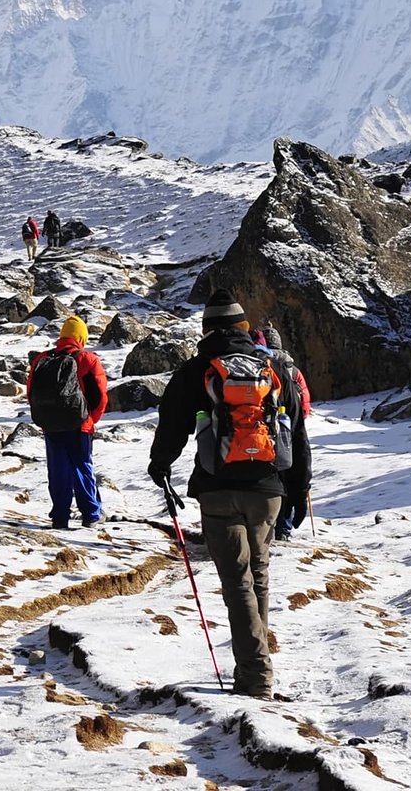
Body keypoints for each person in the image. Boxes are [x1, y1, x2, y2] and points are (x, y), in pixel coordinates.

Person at [146, 290, 311, 699]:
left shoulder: (194, 370)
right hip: (268, 489)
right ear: (243, 328)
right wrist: (299, 487)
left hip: (218, 489)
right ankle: (256, 669)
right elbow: (298, 433)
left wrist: (160, 466)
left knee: (237, 583)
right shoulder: (274, 368)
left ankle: (256, 677)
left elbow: (172, 428)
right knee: (257, 575)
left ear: (205, 330)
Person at [27, 316, 109, 528]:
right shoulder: (88, 359)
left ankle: (60, 517)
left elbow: (31, 393)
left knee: (58, 469)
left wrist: (46, 417)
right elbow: (100, 397)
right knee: (82, 466)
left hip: (51, 424)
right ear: (81, 337)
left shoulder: (42, 359)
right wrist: (90, 420)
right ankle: (91, 514)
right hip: (80, 425)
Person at [251, 327, 313, 542]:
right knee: (287, 475)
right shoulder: (292, 370)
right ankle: (283, 528)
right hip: (287, 426)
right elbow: (304, 402)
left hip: (259, 431)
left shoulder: (257, 365)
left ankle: (265, 525)